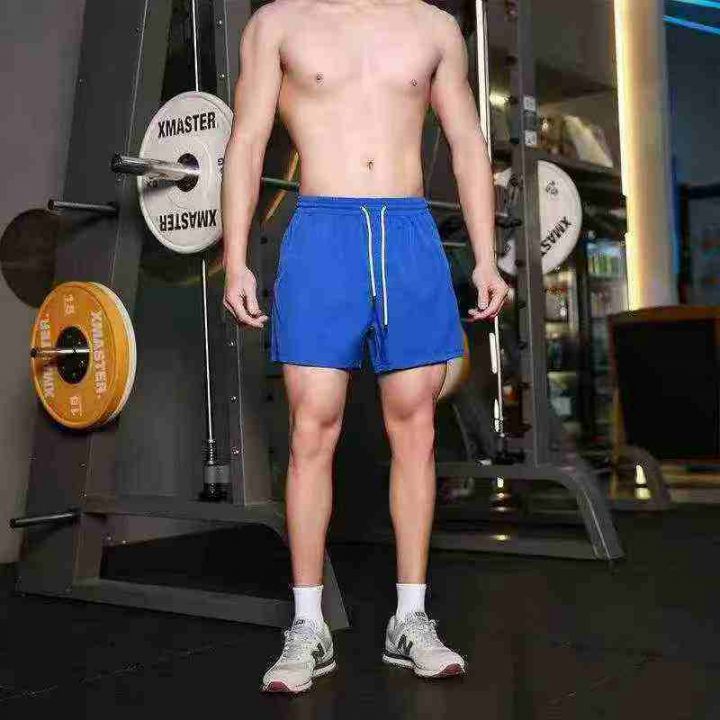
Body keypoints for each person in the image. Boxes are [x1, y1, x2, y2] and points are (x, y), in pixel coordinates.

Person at [221, 0, 508, 695]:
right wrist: (234, 259)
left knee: (415, 425)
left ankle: (410, 619)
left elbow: (468, 141)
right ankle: (307, 625)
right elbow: (248, 141)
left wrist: (486, 256)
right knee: (311, 425)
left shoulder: (433, 26)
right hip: (323, 233)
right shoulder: (279, 23)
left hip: (410, 232)